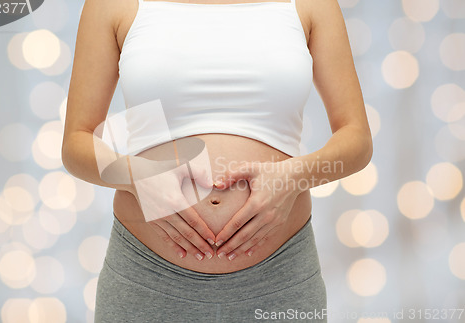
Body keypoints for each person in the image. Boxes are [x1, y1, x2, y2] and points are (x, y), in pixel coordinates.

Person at [62, 0, 372, 321]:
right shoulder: (111, 4)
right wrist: (138, 176)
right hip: (147, 279)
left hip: (279, 279)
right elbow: (76, 143)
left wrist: (294, 177)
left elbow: (357, 139)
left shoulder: (312, 4)